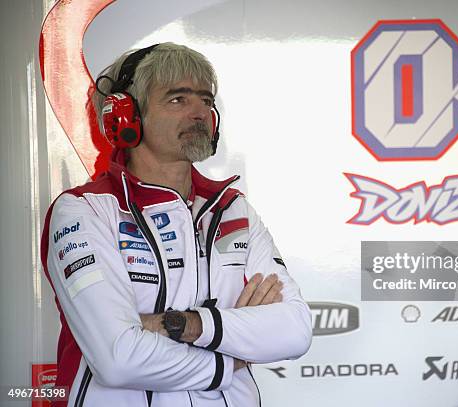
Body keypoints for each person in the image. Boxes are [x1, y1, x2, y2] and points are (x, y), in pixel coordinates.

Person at [41, 42, 312, 407]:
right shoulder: (84, 210)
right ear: (125, 116)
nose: (199, 112)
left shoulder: (234, 210)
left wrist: (184, 324)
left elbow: (294, 330)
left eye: (205, 99)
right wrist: (233, 349)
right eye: (177, 99)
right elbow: (118, 358)